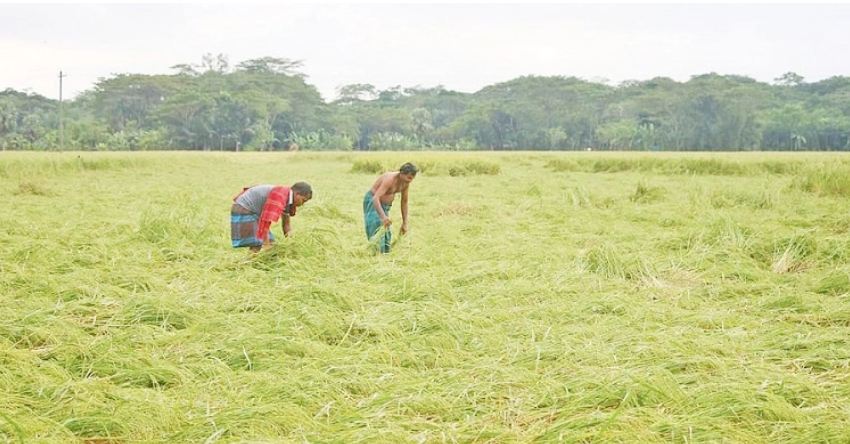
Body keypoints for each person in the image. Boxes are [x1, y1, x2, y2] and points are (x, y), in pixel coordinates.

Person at [231, 182, 312, 252]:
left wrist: (291, 243)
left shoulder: (287, 199)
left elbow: (286, 224)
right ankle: (248, 263)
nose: (302, 204)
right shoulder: (280, 196)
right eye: (303, 200)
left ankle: (251, 262)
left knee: (271, 243)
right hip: (245, 208)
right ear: (297, 194)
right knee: (258, 243)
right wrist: (267, 245)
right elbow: (265, 221)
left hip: (252, 211)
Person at [363, 162, 418, 253]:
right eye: (408, 177)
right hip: (373, 202)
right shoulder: (389, 179)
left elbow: (404, 202)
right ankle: (376, 253)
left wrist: (404, 223)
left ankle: (385, 253)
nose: (410, 181)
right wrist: (383, 217)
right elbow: (376, 198)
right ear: (401, 173)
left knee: (386, 230)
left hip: (385, 206)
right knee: (376, 225)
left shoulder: (406, 183)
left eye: (412, 178)